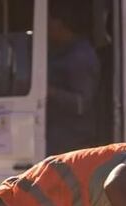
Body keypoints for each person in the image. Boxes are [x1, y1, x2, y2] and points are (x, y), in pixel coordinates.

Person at [46, 0, 100, 155]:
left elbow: (81, 104)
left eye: (49, 22)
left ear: (59, 23)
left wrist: (50, 91)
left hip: (72, 139)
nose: (46, 28)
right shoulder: (61, 52)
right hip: (58, 133)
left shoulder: (80, 57)